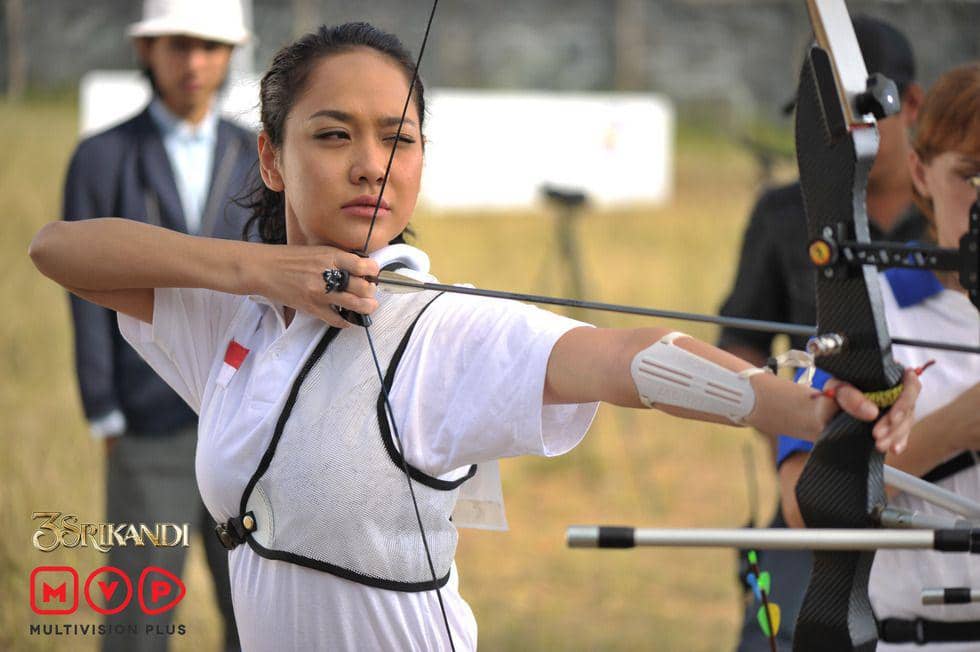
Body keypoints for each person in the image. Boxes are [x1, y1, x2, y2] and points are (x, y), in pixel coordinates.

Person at [32, 23, 921, 651]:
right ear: (271, 156)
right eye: (333, 134)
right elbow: (60, 250)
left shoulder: (441, 329)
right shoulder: (233, 312)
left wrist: (808, 403)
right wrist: (258, 272)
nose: (370, 162)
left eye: (398, 138)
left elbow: (623, 361)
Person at [718, 16, 927, 650]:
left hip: (930, 503)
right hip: (809, 482)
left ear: (910, 104)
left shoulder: (950, 227)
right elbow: (740, 343)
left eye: (854, 116)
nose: (835, 138)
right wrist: (795, 427)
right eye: (820, 119)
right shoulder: (784, 212)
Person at [61, 1, 254, 649]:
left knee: (257, 612)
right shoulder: (102, 158)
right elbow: (83, 295)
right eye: (178, 44)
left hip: (245, 418)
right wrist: (103, 411)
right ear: (147, 50)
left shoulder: (258, 158)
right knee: (139, 616)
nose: (193, 62)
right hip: (146, 425)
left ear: (230, 53)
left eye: (209, 45)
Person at [778, 63, 980, 651]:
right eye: (971, 176)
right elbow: (799, 505)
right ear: (920, 170)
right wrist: (956, 427)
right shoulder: (868, 311)